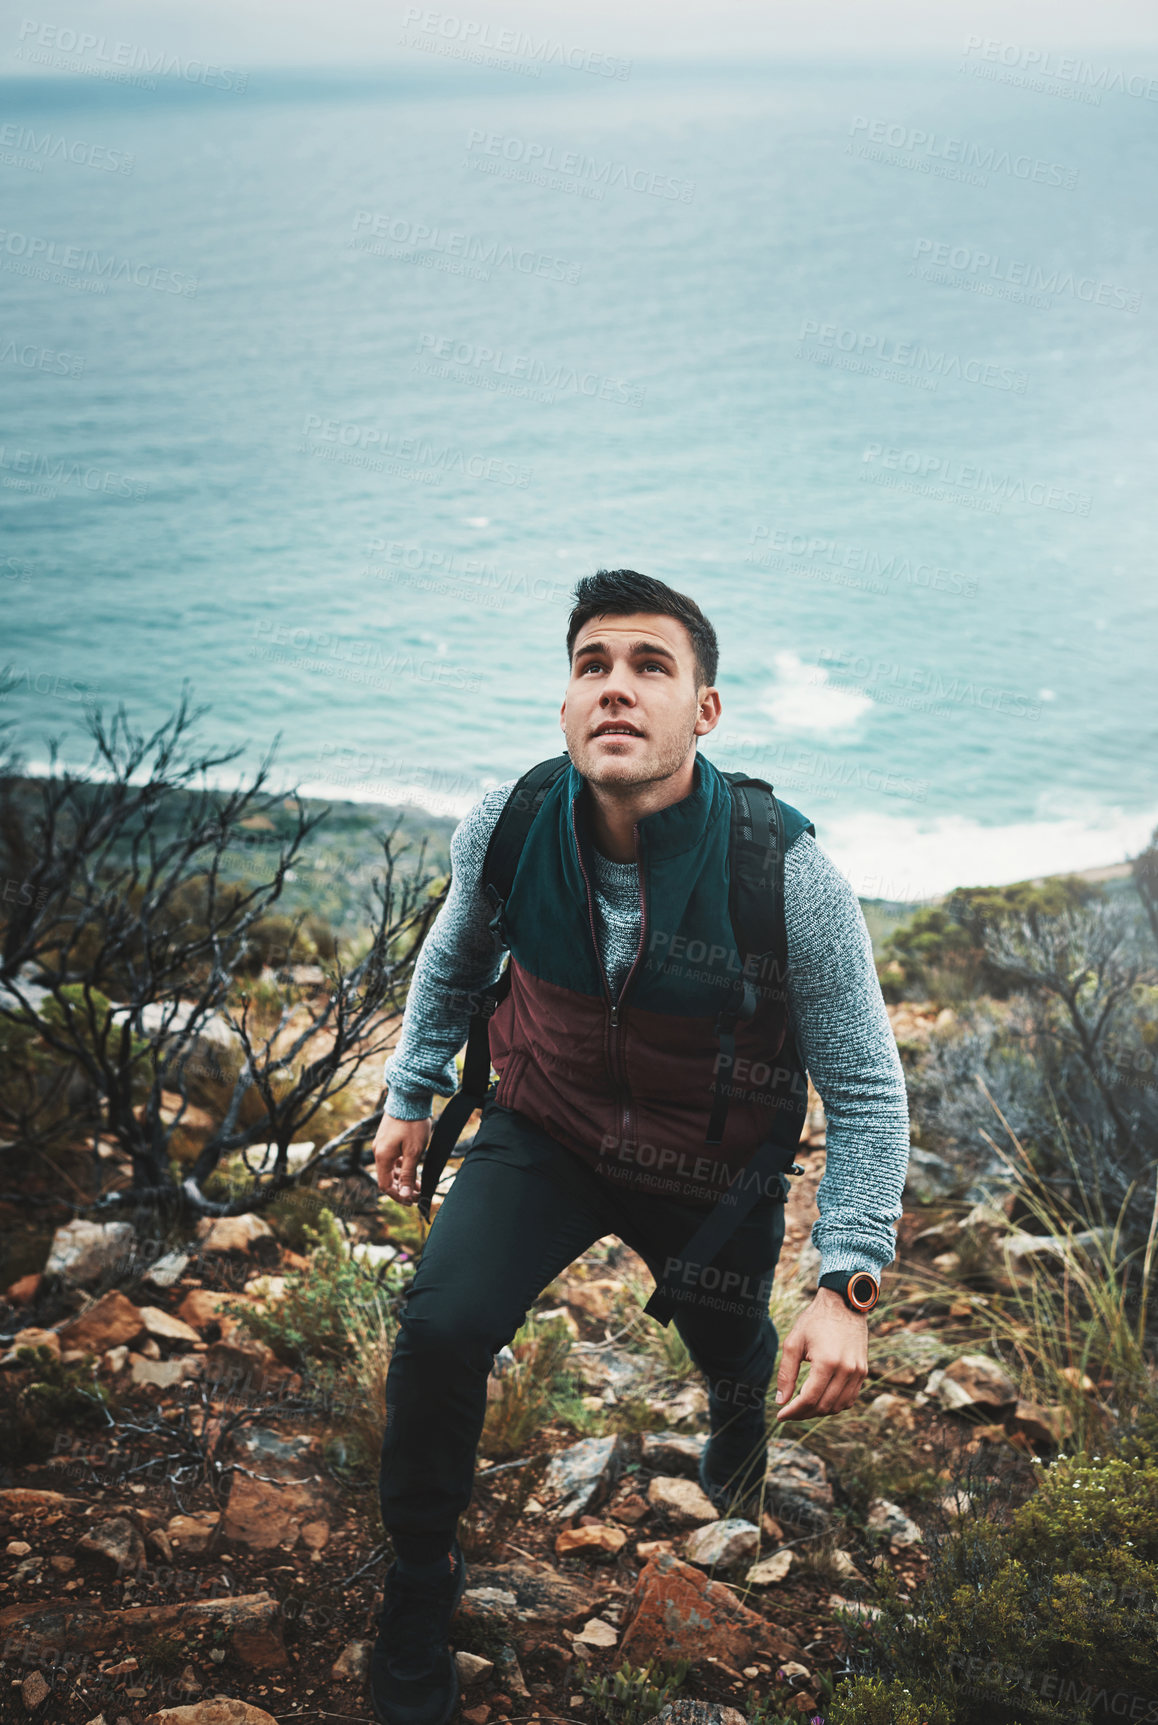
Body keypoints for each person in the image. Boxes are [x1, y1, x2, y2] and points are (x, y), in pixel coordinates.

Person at [367, 569, 910, 1725]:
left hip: (710, 1175)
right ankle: (417, 1585)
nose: (617, 689)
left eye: (651, 667)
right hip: (544, 1129)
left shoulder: (786, 869)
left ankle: (735, 1428)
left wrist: (848, 1279)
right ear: (565, 704)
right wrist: (411, 1088)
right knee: (440, 1326)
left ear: (704, 711)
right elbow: (455, 960)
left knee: (730, 1345)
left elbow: (866, 1082)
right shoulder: (511, 822)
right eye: (592, 666)